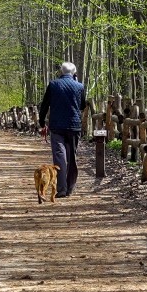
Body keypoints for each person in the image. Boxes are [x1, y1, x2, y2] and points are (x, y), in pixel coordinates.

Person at [38, 61, 86, 199]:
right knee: (72, 157)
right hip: (74, 126)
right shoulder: (79, 86)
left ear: (61, 72)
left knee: (59, 156)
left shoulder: (53, 85)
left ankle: (61, 188)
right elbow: (82, 105)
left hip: (57, 126)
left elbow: (45, 104)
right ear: (74, 73)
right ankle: (70, 187)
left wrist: (42, 122)